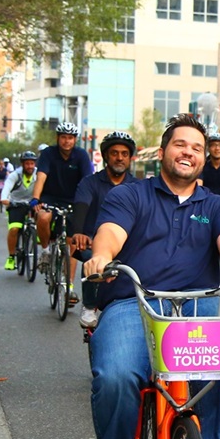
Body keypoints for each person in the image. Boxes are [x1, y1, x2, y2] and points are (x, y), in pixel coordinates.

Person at [82, 114, 220, 439]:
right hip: (134, 302)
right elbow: (110, 233)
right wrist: (102, 257)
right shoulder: (132, 195)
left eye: (196, 148)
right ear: (162, 153)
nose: (189, 153)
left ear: (204, 157)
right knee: (116, 376)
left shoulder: (216, 204)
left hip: (194, 306)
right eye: (180, 145)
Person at [70, 131, 139, 328]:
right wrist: (79, 232)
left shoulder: (138, 186)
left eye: (125, 154)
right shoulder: (90, 183)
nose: (120, 157)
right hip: (93, 241)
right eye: (115, 153)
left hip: (128, 245)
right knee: (92, 257)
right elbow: (81, 207)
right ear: (106, 156)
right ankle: (90, 306)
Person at [31, 122, 94, 302]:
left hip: (74, 200)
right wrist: (36, 198)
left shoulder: (81, 155)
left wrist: (88, 203)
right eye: (64, 137)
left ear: (75, 140)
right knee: (43, 217)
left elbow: (88, 181)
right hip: (50, 197)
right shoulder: (48, 154)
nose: (67, 141)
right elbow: (41, 176)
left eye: (70, 138)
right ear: (58, 138)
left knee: (72, 242)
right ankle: (46, 251)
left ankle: (69, 287)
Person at [0, 151, 39, 270]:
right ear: (22, 164)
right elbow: (6, 188)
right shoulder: (15, 175)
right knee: (14, 229)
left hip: (33, 203)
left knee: (42, 216)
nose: (30, 166)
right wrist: (4, 198)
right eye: (27, 163)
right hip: (16, 204)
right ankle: (11, 257)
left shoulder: (38, 174)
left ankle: (36, 236)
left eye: (32, 163)